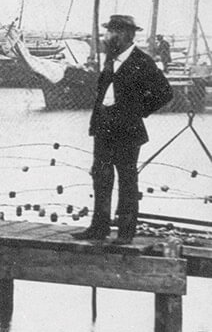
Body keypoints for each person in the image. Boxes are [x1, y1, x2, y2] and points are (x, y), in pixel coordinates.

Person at [73, 14, 172, 244]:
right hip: (104, 129)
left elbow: (165, 93)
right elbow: (105, 94)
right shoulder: (110, 60)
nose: (106, 37)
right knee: (101, 178)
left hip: (127, 131)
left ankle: (126, 233)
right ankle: (99, 228)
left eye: (110, 32)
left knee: (127, 180)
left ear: (124, 35)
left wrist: (138, 111)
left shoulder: (142, 61)